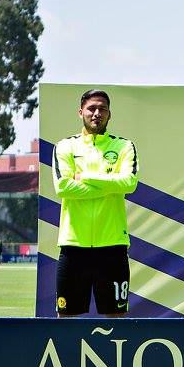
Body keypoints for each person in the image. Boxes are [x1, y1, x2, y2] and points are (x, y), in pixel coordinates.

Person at [52, 89, 139, 317]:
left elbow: (128, 183)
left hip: (112, 246)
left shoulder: (124, 146)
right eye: (91, 108)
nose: (97, 113)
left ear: (110, 114)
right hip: (73, 246)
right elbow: (63, 187)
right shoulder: (65, 146)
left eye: (103, 109)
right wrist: (110, 185)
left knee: (116, 318)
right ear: (80, 112)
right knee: (65, 318)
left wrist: (86, 177)